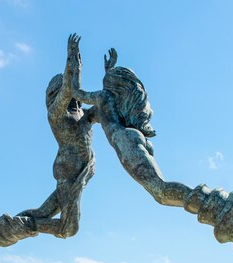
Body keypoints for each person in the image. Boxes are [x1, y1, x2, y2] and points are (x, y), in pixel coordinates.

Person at [71, 47, 192, 207]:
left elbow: (77, 93)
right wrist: (109, 70)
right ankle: (206, 203)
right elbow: (88, 115)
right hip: (134, 138)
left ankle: (211, 204)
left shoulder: (103, 97)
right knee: (161, 194)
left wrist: (75, 67)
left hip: (124, 140)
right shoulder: (108, 106)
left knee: (161, 191)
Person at [18, 34, 99, 238]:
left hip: (79, 172)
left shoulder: (83, 114)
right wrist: (71, 62)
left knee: (41, 213)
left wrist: (109, 75)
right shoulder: (56, 114)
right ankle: (21, 226)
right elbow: (68, 90)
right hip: (67, 170)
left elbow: (103, 106)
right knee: (69, 228)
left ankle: (15, 224)